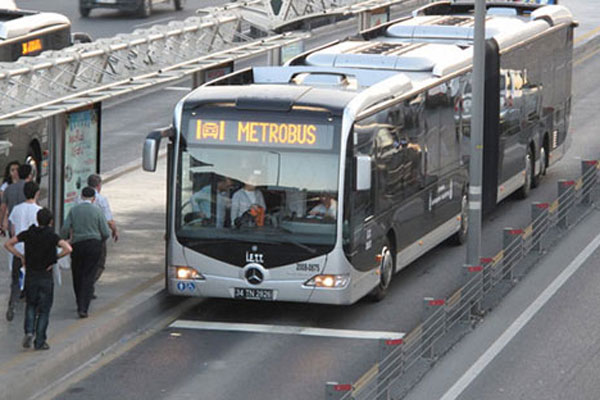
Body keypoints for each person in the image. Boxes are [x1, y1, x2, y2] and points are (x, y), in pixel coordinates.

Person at [4, 208, 72, 350]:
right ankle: (40, 341)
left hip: (31, 276)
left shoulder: (28, 233)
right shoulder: (52, 236)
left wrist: (21, 256)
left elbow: (8, 244)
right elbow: (68, 248)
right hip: (45, 277)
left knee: (31, 305)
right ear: (51, 222)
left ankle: (29, 331)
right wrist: (54, 259)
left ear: (37, 219)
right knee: (44, 310)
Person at [60, 187, 110, 318]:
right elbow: (105, 232)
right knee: (89, 275)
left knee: (77, 273)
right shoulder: (97, 211)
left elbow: (65, 228)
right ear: (93, 199)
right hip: (94, 245)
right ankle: (84, 307)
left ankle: (79, 302)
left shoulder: (74, 210)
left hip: (78, 244)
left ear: (81, 197)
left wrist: (64, 239)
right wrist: (100, 241)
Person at [5, 182, 42, 321]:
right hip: (33, 252)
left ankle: (12, 304)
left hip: (18, 250)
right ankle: (34, 308)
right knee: (33, 281)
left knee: (16, 280)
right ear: (37, 193)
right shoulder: (38, 210)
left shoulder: (16, 209)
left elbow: (13, 230)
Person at [86, 174, 118, 298]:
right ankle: (89, 284)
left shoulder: (79, 199)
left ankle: (87, 285)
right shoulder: (101, 200)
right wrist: (114, 230)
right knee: (99, 263)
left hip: (81, 237)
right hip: (97, 237)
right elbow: (108, 220)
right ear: (99, 186)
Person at [1, 164, 32, 234]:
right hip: (27, 223)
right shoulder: (31, 188)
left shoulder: (8, 189)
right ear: (29, 175)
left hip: (12, 224)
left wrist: (1, 223)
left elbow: (3, 208)